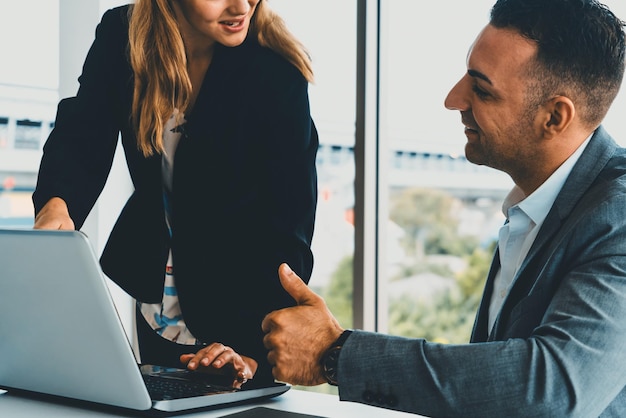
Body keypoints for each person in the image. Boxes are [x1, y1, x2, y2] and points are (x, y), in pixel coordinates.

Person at [262, 0, 626, 415]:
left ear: (555, 117)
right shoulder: (538, 206)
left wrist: (337, 353)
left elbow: (551, 389)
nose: (453, 100)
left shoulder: (618, 216)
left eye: (482, 89)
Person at [32, 0, 318, 387]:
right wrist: (56, 204)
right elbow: (85, 128)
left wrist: (253, 350)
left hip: (241, 310)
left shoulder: (277, 70)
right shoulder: (124, 32)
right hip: (156, 294)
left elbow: (289, 223)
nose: (241, 6)